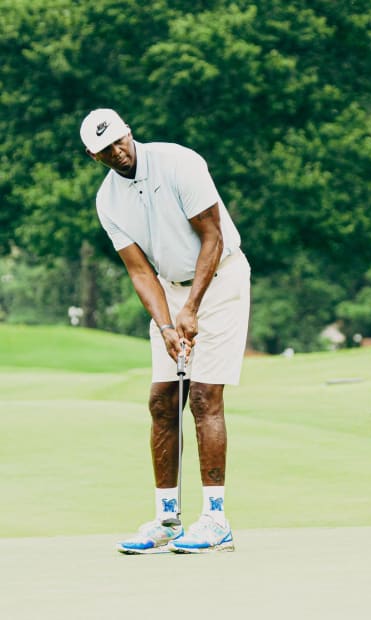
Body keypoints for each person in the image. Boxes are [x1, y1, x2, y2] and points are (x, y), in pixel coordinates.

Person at [80, 108, 251, 553]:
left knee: (203, 396)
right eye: (104, 150)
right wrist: (167, 324)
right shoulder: (107, 201)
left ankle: (216, 520)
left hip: (221, 278)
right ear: (92, 155)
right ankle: (168, 519)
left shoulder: (179, 163)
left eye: (119, 141)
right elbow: (140, 273)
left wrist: (191, 309)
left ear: (129, 133)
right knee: (162, 399)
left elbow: (212, 236)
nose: (116, 152)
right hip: (171, 291)